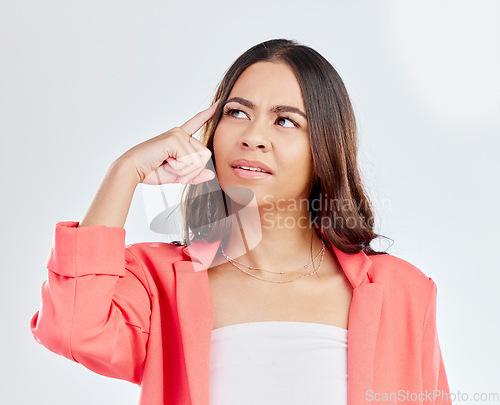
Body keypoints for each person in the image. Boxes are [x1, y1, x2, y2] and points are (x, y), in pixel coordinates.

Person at [30, 39, 452, 405]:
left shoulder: (404, 292)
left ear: (324, 150)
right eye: (236, 112)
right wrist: (125, 171)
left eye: (285, 120)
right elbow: (72, 329)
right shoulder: (160, 282)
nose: (253, 135)